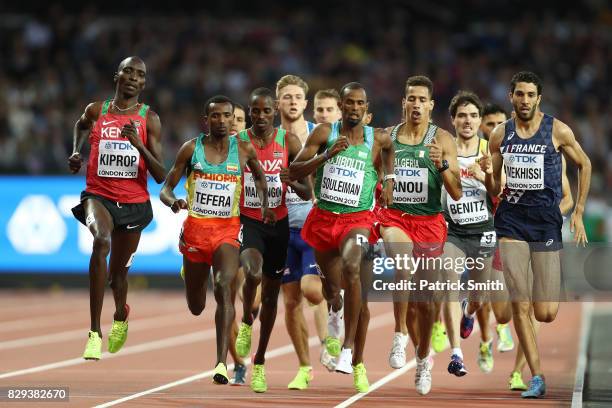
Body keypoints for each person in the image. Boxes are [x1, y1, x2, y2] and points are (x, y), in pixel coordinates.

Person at [479, 71, 591, 398]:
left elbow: (584, 164)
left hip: (545, 222)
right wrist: (488, 176)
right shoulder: (500, 134)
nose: (525, 100)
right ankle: (536, 375)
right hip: (511, 220)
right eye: (519, 94)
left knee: (546, 311)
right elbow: (495, 188)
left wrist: (579, 210)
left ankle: (535, 361)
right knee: (519, 301)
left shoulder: (557, 129)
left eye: (530, 95)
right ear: (511, 97)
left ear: (538, 98)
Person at [290, 82, 395, 393]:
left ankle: (350, 354)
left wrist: (388, 178)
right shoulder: (325, 133)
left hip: (359, 220)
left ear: (366, 107)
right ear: (342, 105)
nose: (353, 108)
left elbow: (389, 148)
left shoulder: (377, 138)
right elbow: (295, 171)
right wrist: (325, 157)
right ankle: (335, 308)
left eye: (359, 103)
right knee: (332, 291)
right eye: (348, 102)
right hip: (324, 219)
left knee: (353, 270)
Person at [159, 95, 267, 384]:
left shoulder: (243, 149)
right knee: (196, 306)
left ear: (233, 119)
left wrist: (264, 203)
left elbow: (259, 177)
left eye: (226, 116)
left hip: (228, 231)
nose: (221, 121)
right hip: (196, 230)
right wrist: (173, 202)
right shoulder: (190, 149)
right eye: (215, 116)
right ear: (205, 120)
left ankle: (220, 363)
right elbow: (165, 188)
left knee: (223, 285)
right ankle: (190, 274)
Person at [68, 56, 166, 360]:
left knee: (118, 278)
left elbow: (161, 174)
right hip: (99, 195)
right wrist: (76, 151)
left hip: (134, 202)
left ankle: (121, 313)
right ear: (118, 76)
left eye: (140, 74)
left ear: (144, 83)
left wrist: (139, 145)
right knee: (100, 242)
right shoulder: (97, 110)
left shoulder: (150, 119)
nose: (134, 77)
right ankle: (94, 332)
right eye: (128, 71)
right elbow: (80, 126)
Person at [378, 75, 462, 395]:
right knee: (402, 262)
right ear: (403, 103)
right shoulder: (386, 137)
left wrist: (441, 166)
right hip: (395, 218)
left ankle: (424, 358)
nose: (415, 104)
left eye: (421, 100)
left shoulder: (442, 139)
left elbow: (455, 192)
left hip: (429, 222)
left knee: (425, 305)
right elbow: (372, 172)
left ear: (430, 105)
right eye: (410, 98)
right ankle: (399, 335)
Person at [234, 87, 311, 393]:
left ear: (275, 112)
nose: (261, 116)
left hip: (278, 225)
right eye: (256, 111)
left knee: (270, 299)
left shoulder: (288, 142)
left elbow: (306, 192)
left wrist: (292, 181)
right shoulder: (238, 143)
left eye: (267, 111)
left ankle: (261, 362)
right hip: (250, 223)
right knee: (252, 272)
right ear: (250, 112)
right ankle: (244, 320)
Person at [275, 75, 336, 391]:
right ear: (278, 103)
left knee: (313, 290)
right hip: (278, 228)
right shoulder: (266, 138)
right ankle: (303, 367)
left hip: (313, 225)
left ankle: (328, 342)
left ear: (306, 103)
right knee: (290, 300)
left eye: (298, 96)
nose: (293, 101)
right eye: (287, 97)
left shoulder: (319, 135)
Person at [439, 91, 496, 376]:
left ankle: (469, 312)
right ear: (453, 120)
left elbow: (501, 191)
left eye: (473, 115)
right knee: (449, 284)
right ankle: (456, 354)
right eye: (462, 115)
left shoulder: (489, 149)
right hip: (453, 231)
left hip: (484, 231)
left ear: (481, 120)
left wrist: (484, 175)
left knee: (479, 297)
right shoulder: (442, 148)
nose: (468, 120)